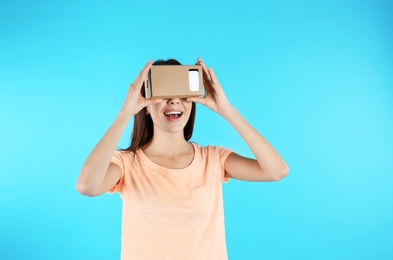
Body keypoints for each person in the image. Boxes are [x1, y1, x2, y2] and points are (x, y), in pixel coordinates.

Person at [76, 57, 289, 259]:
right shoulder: (126, 163)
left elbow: (276, 171)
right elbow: (87, 186)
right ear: (146, 106)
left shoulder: (213, 159)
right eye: (163, 93)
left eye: (181, 94)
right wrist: (125, 112)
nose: (174, 100)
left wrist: (227, 110)